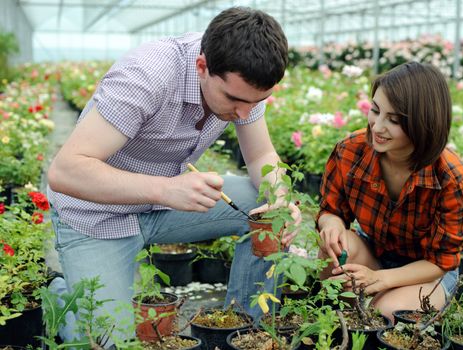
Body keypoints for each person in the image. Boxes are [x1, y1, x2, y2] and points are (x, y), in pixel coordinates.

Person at [47, 7, 299, 342]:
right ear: (202, 67)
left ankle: (244, 332)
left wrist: (280, 198)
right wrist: (165, 190)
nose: (244, 112)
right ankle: (60, 295)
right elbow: (65, 171)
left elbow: (262, 156)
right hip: (96, 215)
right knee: (110, 342)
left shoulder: (244, 86)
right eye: (234, 100)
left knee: (263, 208)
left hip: (163, 205)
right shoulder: (146, 77)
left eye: (258, 101)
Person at [317, 62, 463, 321]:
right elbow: (331, 210)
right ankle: (347, 316)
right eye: (375, 111)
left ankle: (378, 306)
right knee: (332, 251)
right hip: (374, 253)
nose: (377, 127)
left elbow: (440, 262)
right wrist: (331, 225)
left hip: (426, 271)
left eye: (394, 120)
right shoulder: (351, 151)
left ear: (424, 123)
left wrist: (382, 278)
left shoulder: (451, 179)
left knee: (386, 312)